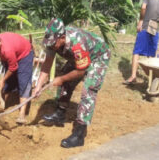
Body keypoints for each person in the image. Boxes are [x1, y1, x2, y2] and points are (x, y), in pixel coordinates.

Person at [33, 18, 111, 148]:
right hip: (80, 58)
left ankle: (79, 134)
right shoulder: (53, 41)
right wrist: (38, 86)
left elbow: (81, 71)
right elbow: (47, 65)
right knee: (66, 78)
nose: (51, 46)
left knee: (89, 90)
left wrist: (61, 79)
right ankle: (60, 114)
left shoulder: (77, 43)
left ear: (62, 37)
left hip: (98, 57)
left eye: (54, 44)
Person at [0, 31, 34, 124]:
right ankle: (0, 106)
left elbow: (13, 67)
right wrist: (4, 80)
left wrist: (3, 79)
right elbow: (8, 65)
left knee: (23, 83)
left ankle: (22, 115)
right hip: (13, 54)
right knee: (9, 82)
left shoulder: (7, 50)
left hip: (25, 54)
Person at [124, 0, 159, 85]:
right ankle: (153, 77)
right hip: (154, 26)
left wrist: (140, 20)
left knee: (137, 51)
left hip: (145, 25)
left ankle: (133, 76)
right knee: (152, 52)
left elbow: (143, 8)